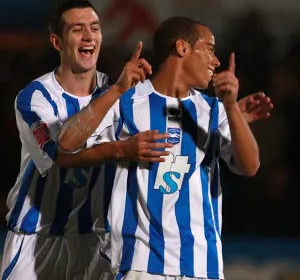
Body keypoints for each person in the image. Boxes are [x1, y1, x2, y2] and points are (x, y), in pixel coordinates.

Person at [59, 16, 261, 280]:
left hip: (202, 265)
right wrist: (120, 143)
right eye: (210, 49)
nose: (216, 61)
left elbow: (250, 167)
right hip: (141, 263)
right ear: (182, 47)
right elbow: (66, 143)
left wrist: (232, 107)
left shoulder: (213, 110)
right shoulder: (128, 100)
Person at [0, 0, 172, 280]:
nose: (89, 35)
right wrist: (121, 142)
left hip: (93, 242)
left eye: (94, 27)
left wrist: (223, 117)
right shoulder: (35, 98)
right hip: (35, 239)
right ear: (57, 42)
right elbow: (60, 154)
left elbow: (167, 123)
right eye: (78, 29)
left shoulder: (123, 92)